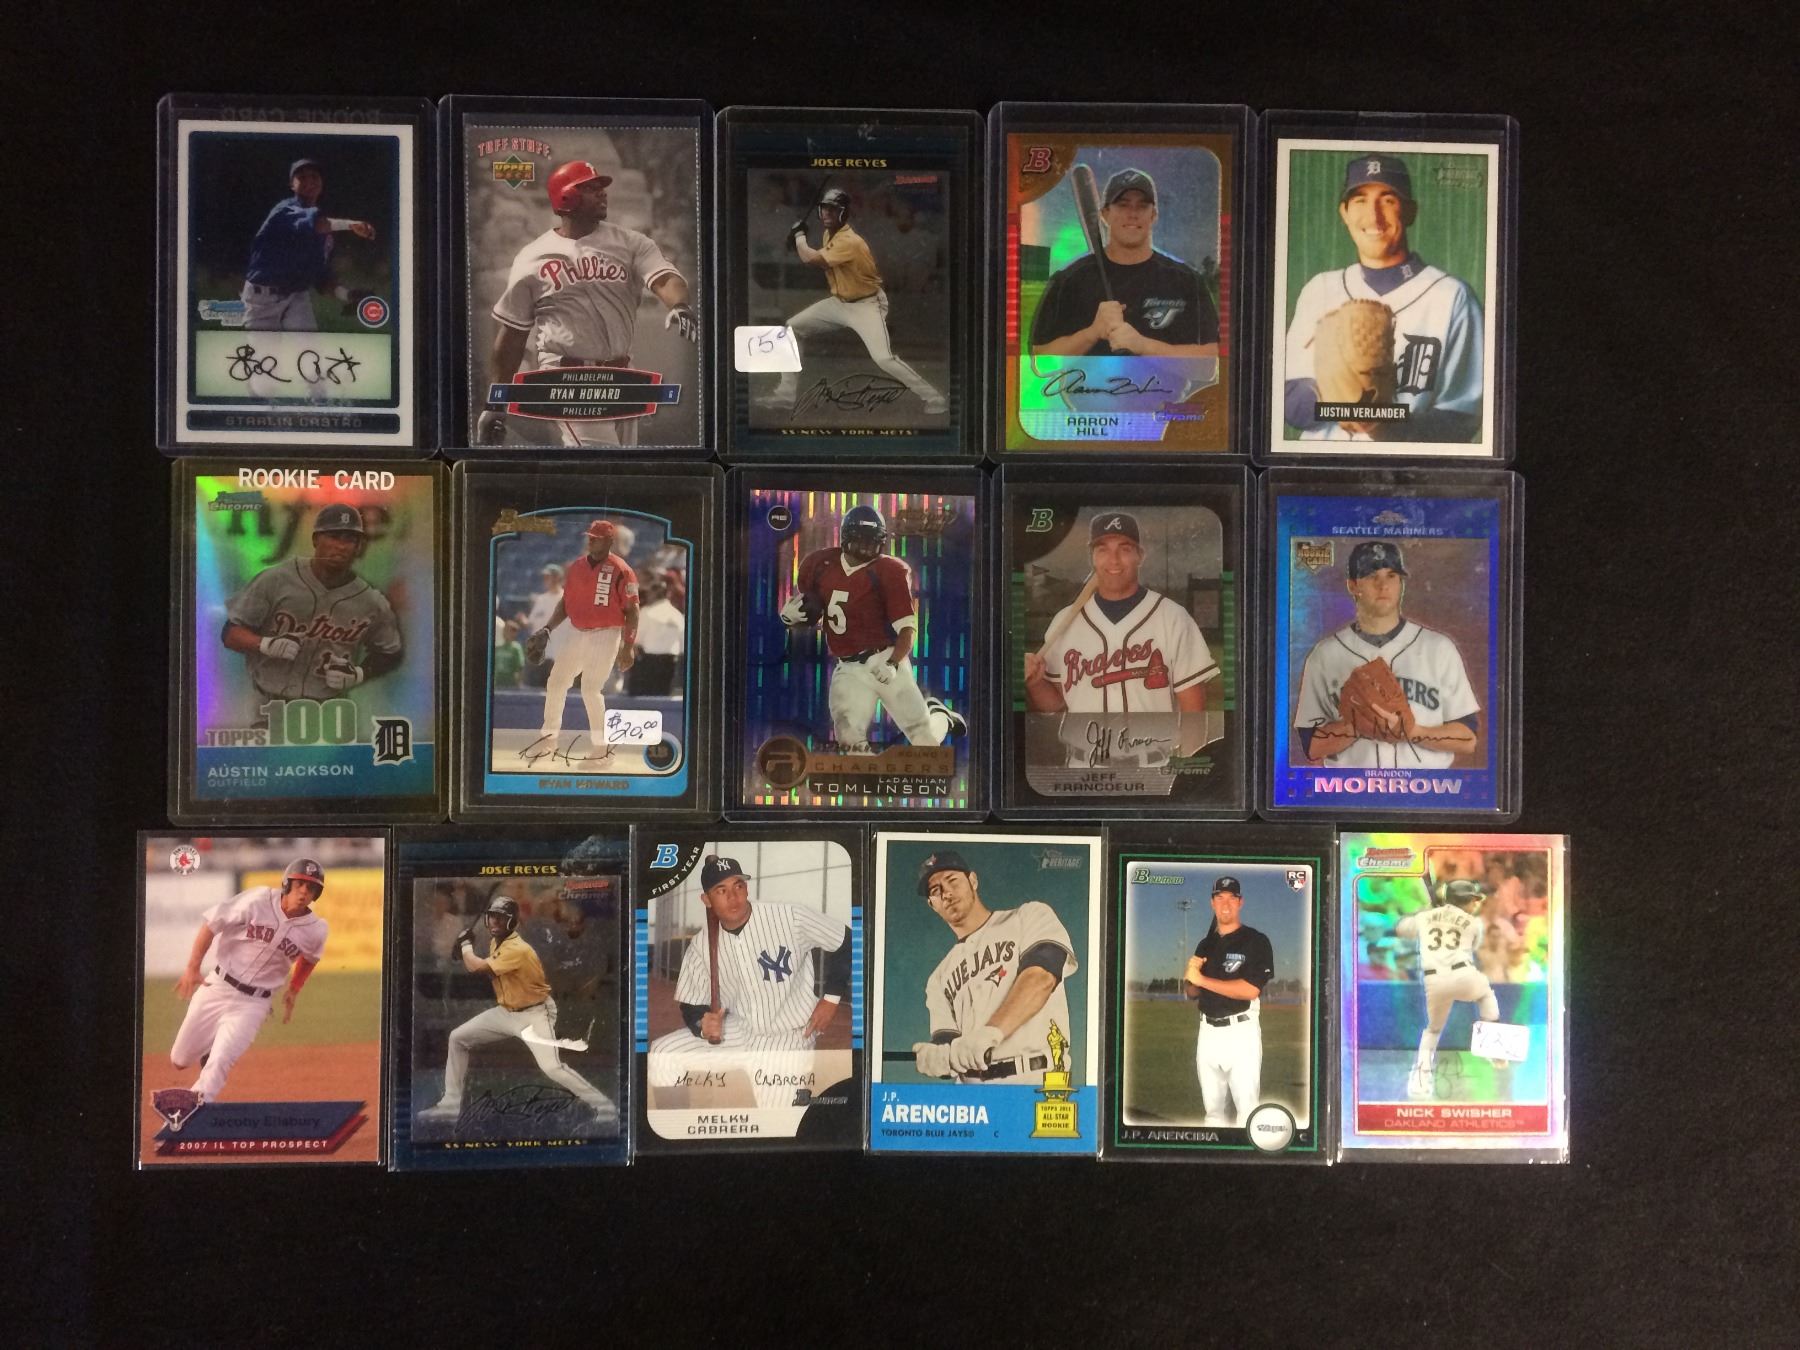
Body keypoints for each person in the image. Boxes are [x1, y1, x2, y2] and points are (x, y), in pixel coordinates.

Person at [477, 159, 698, 447]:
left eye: (600, 187)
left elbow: (665, 278)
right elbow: (512, 336)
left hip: (621, 375)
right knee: (602, 459)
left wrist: (678, 305)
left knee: (620, 468)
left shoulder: (631, 243)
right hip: (567, 377)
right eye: (590, 188)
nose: (602, 193)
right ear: (566, 196)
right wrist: (495, 403)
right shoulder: (533, 257)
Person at [1282, 154, 1484, 442]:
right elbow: (1288, 401)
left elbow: (1463, 417)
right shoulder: (1320, 289)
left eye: (1388, 200)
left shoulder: (1453, 296)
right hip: (1323, 464)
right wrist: (1338, 393)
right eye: (1360, 200)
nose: (1373, 215)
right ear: (1344, 213)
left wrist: (1382, 424)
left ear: (1410, 211)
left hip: (1402, 467)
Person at [646, 855, 852, 1109]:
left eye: (738, 886)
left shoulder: (789, 916)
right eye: (721, 890)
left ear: (746, 889)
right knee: (664, 1054)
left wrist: (831, 999)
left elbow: (846, 941)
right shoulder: (701, 945)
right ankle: (675, 1125)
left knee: (777, 1121)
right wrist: (701, 1025)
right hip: (739, 1031)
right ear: (706, 900)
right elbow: (691, 1005)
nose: (733, 897)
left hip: (788, 1037)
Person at [1023, 511, 1217, 764]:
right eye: (1102, 549)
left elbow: (1194, 712)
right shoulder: (1065, 622)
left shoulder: (1172, 617)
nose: (1113, 560)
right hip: (1084, 770)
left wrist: (1188, 774)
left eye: (1124, 549)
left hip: (1154, 767)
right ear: (1092, 557)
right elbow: (1058, 706)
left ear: (1140, 556)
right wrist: (1036, 683)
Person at [779, 504, 965, 753]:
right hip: (848, 667)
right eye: (861, 540)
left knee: (924, 741)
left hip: (884, 658)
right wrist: (790, 618)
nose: (867, 548)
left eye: (873, 542)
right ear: (845, 538)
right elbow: (815, 613)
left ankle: (940, 717)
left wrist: (893, 663)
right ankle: (867, 772)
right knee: (848, 736)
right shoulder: (821, 565)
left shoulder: (891, 571)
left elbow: (907, 630)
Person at [418, 896, 618, 1128]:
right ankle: (450, 1106)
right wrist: (462, 947)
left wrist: (464, 946)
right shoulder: (497, 943)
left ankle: (604, 1106)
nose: (495, 922)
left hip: (533, 1015)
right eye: (492, 917)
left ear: (513, 922)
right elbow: (472, 960)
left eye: (501, 918)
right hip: (506, 1012)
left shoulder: (517, 948)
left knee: (552, 1068)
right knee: (457, 1038)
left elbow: (476, 966)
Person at [1293, 540, 1480, 769]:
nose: (1383, 585)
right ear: (1353, 585)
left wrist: (1413, 731)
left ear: (1401, 584)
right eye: (1372, 576)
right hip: (1351, 789)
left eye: (1391, 576)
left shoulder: (1439, 648)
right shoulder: (1325, 655)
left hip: (1424, 788)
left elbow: (1468, 738)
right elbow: (1310, 746)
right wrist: (1357, 724)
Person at [161, 858, 329, 1112]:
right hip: (217, 986)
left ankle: (192, 1111)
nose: (304, 892)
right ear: (287, 884)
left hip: (254, 1003)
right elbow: (212, 923)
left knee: (220, 1061)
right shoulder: (258, 900)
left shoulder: (316, 929)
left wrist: (294, 988)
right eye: (300, 884)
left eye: (311, 888)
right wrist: (192, 967)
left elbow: (310, 958)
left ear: (317, 894)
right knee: (179, 1059)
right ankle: (208, 1048)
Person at [760, 188, 946, 415]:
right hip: (839, 303)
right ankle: (785, 396)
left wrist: (799, 238)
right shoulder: (830, 234)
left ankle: (933, 397)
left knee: (883, 358)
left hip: (866, 305)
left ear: (844, 213)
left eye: (833, 209)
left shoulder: (850, 240)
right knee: (791, 329)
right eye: (824, 208)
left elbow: (813, 259)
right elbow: (814, 255)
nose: (827, 213)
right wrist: (798, 243)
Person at [910, 850, 1076, 1086]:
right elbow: (948, 1045)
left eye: (952, 880)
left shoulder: (1027, 916)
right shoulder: (938, 978)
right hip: (972, 1093)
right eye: (935, 891)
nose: (946, 893)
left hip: (1034, 1078)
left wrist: (991, 1032)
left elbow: (1041, 978)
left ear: (973, 881)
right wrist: (937, 1056)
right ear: (932, 904)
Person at [220, 503, 403, 702]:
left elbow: (391, 653)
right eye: (333, 536)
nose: (341, 546)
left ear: (358, 546)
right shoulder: (276, 579)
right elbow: (230, 633)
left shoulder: (371, 600)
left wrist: (359, 674)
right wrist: (264, 644)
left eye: (349, 539)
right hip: (265, 701)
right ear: (316, 539)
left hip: (331, 707)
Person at [1029, 168, 1220, 358]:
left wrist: (1144, 346)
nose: (1133, 214)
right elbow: (1039, 359)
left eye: (1142, 206)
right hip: (1087, 380)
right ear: (1104, 214)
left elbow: (1215, 356)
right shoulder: (1069, 281)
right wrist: (1092, 333)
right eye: (1123, 205)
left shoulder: (1187, 282)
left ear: (1153, 215)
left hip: (1164, 380)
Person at [526, 519, 637, 763]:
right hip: (577, 631)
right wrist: (548, 628)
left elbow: (632, 610)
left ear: (610, 541)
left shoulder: (622, 570)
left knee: (590, 689)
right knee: (556, 682)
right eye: (590, 536)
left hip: (606, 633)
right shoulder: (576, 566)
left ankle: (602, 749)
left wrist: (628, 646)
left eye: (596, 537)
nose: (591, 540)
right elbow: (566, 602)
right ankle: (548, 740)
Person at [1393, 880, 1502, 1099]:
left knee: (1432, 1031)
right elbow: (1472, 945)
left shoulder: (1424, 917)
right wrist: (1442, 917)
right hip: (1463, 975)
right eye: (1472, 900)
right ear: (1463, 900)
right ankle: (1492, 1049)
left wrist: (1426, 912)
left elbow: (1400, 928)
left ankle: (1420, 1081)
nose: (1475, 904)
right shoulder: (1473, 923)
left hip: (1434, 980)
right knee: (1486, 995)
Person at [240, 158, 376, 332]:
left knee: (308, 347)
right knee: (265, 349)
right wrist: (350, 224)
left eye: (314, 176)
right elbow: (316, 224)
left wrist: (347, 294)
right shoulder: (284, 210)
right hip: (261, 300)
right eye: (302, 177)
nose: (309, 181)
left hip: (296, 296)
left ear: (321, 182)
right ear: (292, 185)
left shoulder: (324, 235)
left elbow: (321, 278)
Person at [1180, 876, 1274, 1127]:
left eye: (1232, 898)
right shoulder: (1205, 944)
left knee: (1247, 1112)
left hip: (1241, 1033)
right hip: (1207, 1033)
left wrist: (1202, 979)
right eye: (1219, 897)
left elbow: (1250, 990)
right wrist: (1190, 977)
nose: (1225, 903)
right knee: (1213, 1114)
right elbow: (1192, 993)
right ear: (1212, 903)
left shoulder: (1256, 941)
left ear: (1240, 902)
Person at [626, 574, 684, 697]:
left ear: (653, 594)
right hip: (671, 663)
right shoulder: (677, 615)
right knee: (663, 695)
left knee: (645, 697)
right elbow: (683, 644)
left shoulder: (647, 612)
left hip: (649, 662)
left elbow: (637, 639)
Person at [521, 564, 565, 688]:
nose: (545, 580)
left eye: (548, 577)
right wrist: (523, 621)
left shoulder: (566, 598)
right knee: (534, 691)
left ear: (557, 578)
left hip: (557, 656)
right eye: (545, 577)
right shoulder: (541, 599)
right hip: (539, 656)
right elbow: (532, 623)